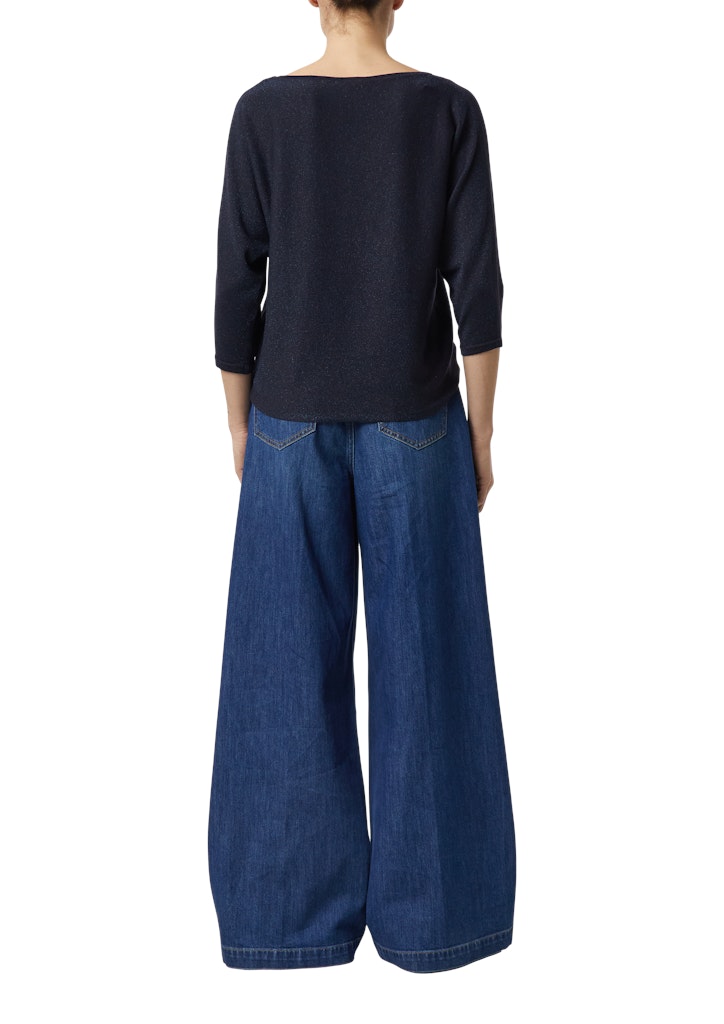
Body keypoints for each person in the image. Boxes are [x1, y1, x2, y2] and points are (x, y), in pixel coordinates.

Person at [207, 0, 516, 973]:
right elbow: (478, 289)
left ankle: (285, 919)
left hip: (287, 419)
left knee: (279, 672)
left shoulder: (263, 111)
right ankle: (441, 921)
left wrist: (239, 422)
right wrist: (480, 433)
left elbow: (234, 285)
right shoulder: (447, 110)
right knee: (433, 670)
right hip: (415, 423)